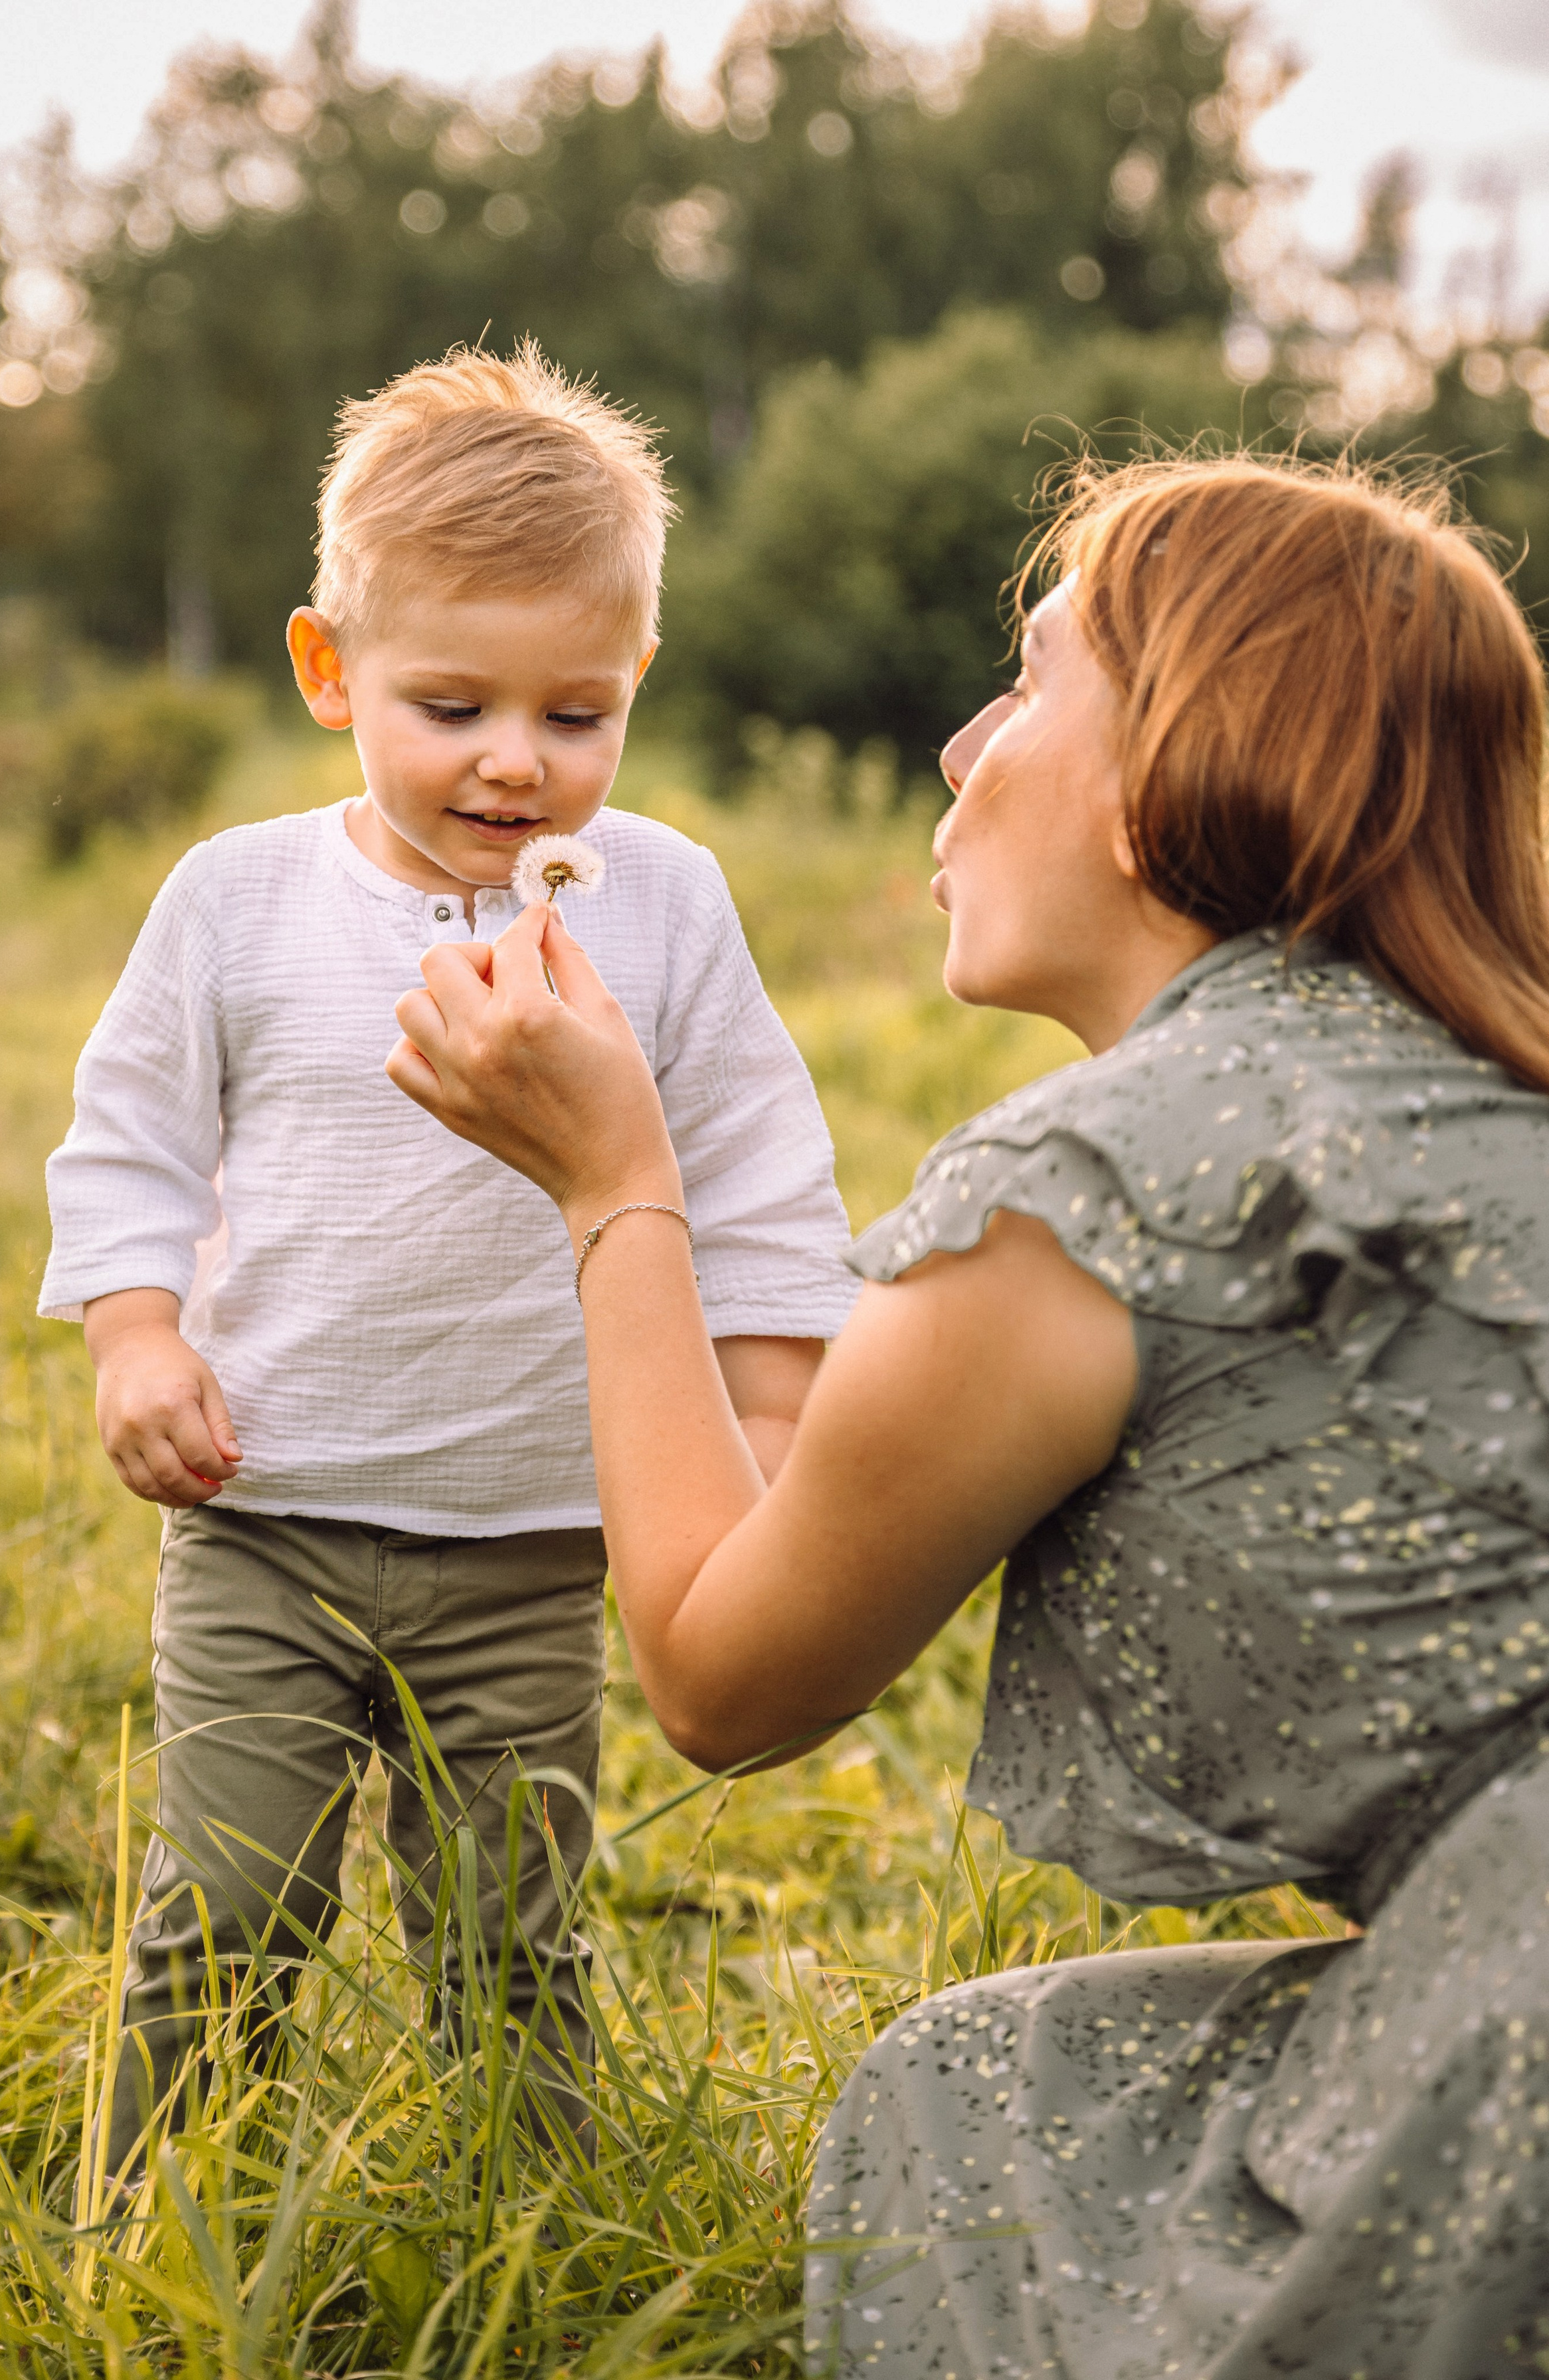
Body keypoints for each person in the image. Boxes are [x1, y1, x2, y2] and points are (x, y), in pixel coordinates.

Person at [383, 452, 1549, 2375]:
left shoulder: (1079, 1198)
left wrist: (614, 1186)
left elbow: (721, 1676)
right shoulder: (1480, 1101)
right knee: (1029, 2059)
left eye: (1027, 682)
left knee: (972, 2116)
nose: (954, 748)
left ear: (1172, 766)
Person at [37, 341, 857, 2177]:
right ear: (331, 673)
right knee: (229, 1905)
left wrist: (775, 1413)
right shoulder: (237, 901)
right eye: (452, 705)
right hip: (270, 1516)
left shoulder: (664, 903)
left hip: (532, 1541)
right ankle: (150, 2219)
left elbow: (755, 1170)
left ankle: (543, 2226)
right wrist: (137, 1337)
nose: (515, 762)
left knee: (513, 1941)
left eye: (575, 715)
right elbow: (131, 1141)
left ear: (636, 676)